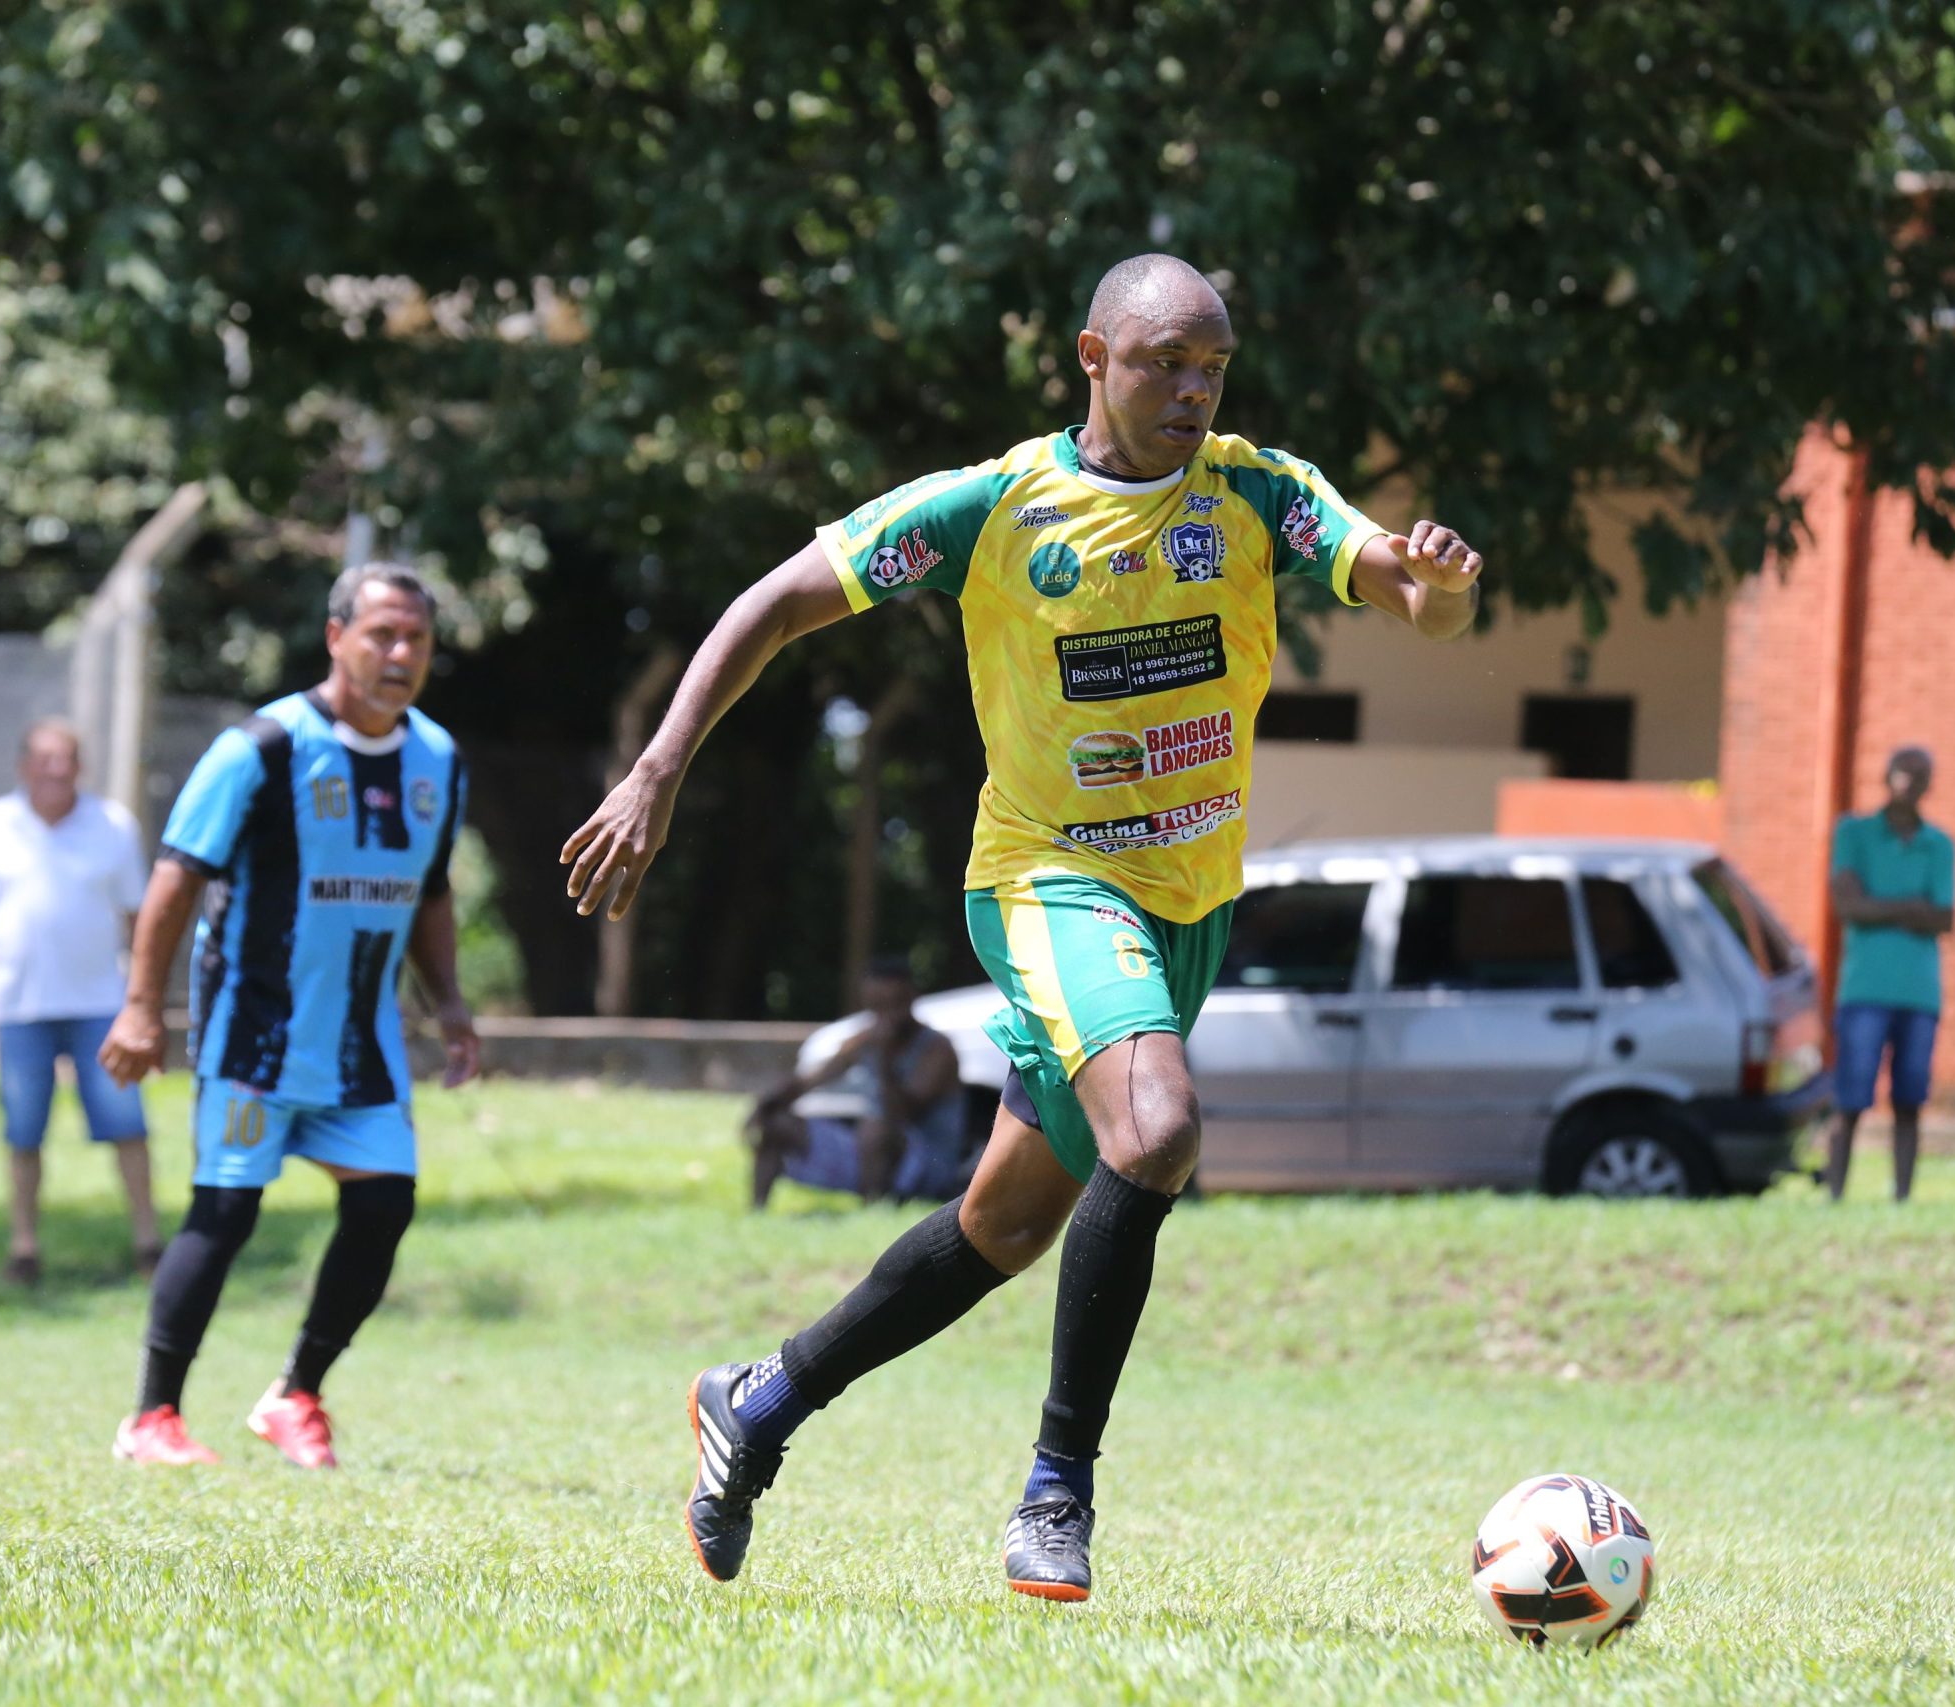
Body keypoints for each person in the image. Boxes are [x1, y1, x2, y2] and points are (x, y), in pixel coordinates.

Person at [559, 254, 1483, 1602]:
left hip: (1188, 906)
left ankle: (759, 1399)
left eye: (1213, 368)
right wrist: (656, 768)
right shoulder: (989, 507)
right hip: (1050, 882)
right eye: (1167, 362)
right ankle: (1058, 1487)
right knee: (1156, 1128)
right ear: (1093, 357)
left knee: (1001, 1225)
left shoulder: (1258, 491)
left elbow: (1415, 598)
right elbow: (773, 602)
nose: (1193, 389)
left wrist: (1445, 582)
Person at [98, 564, 481, 1468]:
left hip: (364, 1045)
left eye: (416, 638)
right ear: (335, 635)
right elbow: (175, 878)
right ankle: (153, 1417)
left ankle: (295, 1393)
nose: (399, 653)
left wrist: (451, 1001)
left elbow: (430, 892)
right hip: (255, 1034)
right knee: (225, 1212)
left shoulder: (438, 760)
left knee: (385, 1205)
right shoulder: (262, 749)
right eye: (381, 633)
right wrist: (143, 1009)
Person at [0, 718, 161, 1286]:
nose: (55, 769)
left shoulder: (112, 825)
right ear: (23, 765)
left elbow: (139, 912)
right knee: (23, 1131)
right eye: (44, 758)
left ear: (81, 766)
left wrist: (145, 995)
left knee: (127, 1122)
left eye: (67, 758)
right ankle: (24, 1248)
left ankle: (149, 1242)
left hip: (101, 1004)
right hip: (19, 1006)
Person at [1823, 745, 1955, 1203]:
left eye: (1921, 774)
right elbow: (1848, 906)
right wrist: (1909, 906)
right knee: (1850, 1097)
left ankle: (1902, 1196)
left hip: (1919, 993)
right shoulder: (1853, 833)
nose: (1910, 782)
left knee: (1909, 1100)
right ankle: (1835, 1194)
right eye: (1903, 772)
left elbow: (1943, 917)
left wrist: (1878, 905)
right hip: (1864, 988)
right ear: (1886, 776)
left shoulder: (1939, 844)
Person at [749, 957, 966, 1209]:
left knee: (874, 1129)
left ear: (911, 999)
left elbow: (904, 1113)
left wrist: (884, 1062)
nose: (884, 1015)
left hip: (928, 1163)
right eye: (876, 1006)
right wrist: (767, 1105)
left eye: (892, 1004)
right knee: (778, 1122)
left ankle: (871, 1208)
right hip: (871, 1153)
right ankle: (756, 1211)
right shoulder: (864, 1041)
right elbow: (810, 1079)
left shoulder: (937, 1049)